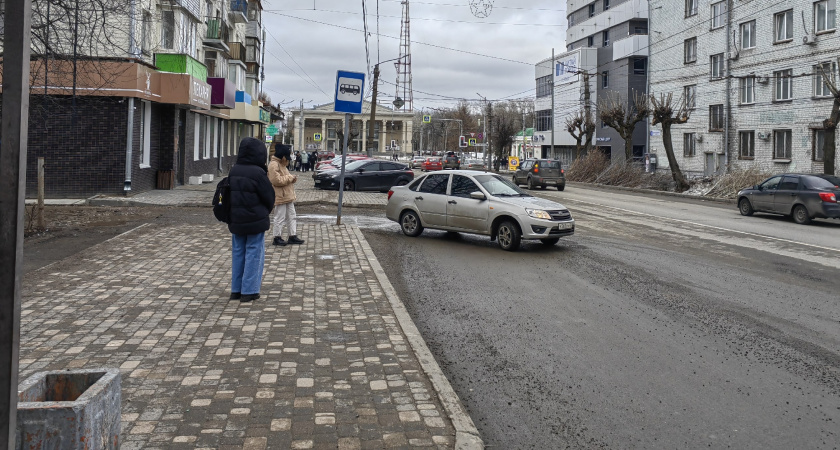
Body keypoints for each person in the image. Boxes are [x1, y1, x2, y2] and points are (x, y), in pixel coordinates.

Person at [227, 137, 275, 303]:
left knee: (238, 252)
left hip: (236, 220)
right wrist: (265, 211)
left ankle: (236, 289)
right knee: (254, 252)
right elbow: (269, 197)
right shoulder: (258, 172)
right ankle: (250, 290)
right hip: (255, 220)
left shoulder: (234, 170)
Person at [268, 144, 305, 247]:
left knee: (292, 216)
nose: (287, 160)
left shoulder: (282, 164)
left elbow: (285, 177)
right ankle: (277, 237)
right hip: (280, 195)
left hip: (287, 194)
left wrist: (291, 178)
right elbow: (276, 180)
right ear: (282, 156)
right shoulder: (273, 165)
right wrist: (290, 178)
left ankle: (292, 235)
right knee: (279, 217)